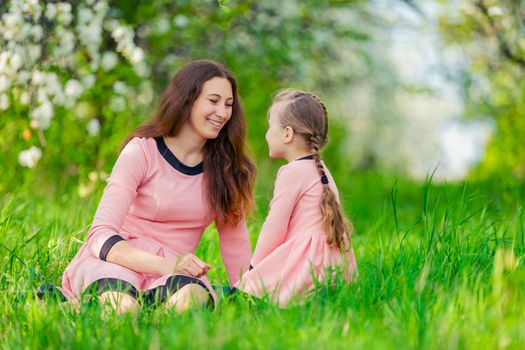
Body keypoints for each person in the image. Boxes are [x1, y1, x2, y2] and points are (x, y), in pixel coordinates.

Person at [59, 60, 256, 313]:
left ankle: (140, 311)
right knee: (122, 308)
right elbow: (100, 236)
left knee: (190, 301)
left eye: (228, 105)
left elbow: (236, 247)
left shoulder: (227, 170)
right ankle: (65, 305)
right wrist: (168, 265)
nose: (223, 113)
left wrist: (250, 298)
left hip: (174, 277)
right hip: (119, 263)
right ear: (188, 99)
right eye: (214, 101)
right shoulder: (141, 152)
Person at [234, 90, 358, 307]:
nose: (267, 134)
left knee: (238, 299)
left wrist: (254, 268)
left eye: (270, 127)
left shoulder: (292, 172)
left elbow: (275, 227)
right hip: (329, 265)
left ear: (287, 133)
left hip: (305, 264)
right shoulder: (322, 170)